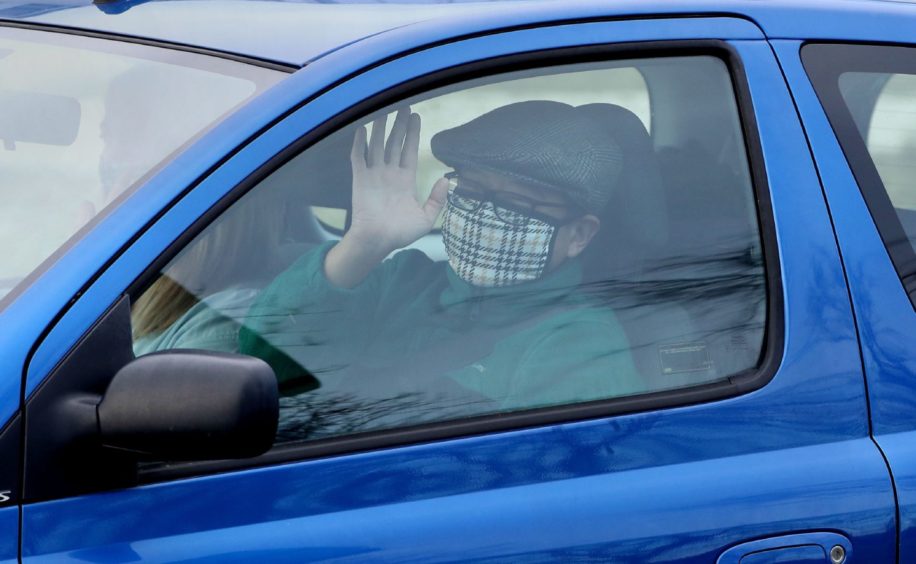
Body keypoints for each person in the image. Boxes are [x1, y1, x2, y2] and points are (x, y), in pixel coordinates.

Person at [239, 100, 646, 429]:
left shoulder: (578, 343)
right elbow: (266, 373)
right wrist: (363, 245)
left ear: (579, 235)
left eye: (517, 204)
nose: (484, 212)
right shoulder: (401, 281)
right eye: (470, 189)